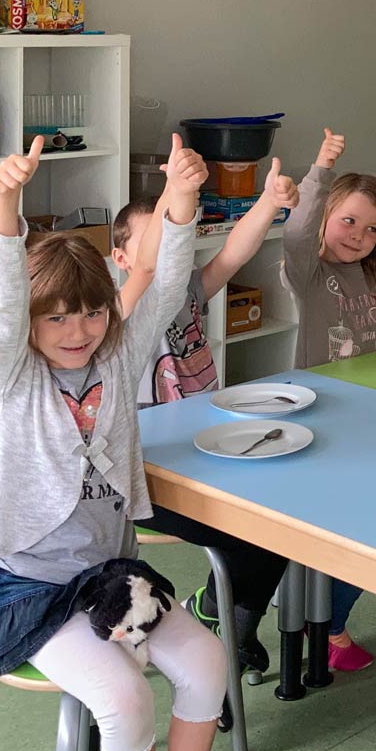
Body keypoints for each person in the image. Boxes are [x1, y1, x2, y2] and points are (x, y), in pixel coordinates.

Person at [0, 134, 226, 751]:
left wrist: (184, 197)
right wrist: (5, 200)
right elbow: (5, 294)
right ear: (32, 321)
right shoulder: (14, 375)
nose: (78, 328)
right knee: (125, 696)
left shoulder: (117, 354)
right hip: (29, 581)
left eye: (93, 310)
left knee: (208, 663)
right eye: (57, 315)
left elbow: (167, 284)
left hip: (110, 572)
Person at [111, 156, 300, 685]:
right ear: (121, 257)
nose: (168, 255)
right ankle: (224, 629)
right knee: (255, 529)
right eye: (154, 243)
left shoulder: (188, 290)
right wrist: (178, 192)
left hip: (210, 453)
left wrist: (268, 202)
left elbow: (235, 253)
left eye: (176, 241)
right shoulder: (115, 316)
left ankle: (227, 624)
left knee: (283, 517)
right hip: (152, 480)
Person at [282, 122, 376, 669]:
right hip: (320, 425)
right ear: (325, 217)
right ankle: (327, 623)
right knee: (347, 528)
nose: (358, 235)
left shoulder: (369, 268)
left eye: (369, 230)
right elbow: (298, 232)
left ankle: (325, 612)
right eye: (347, 221)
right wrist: (320, 170)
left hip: (369, 419)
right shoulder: (308, 270)